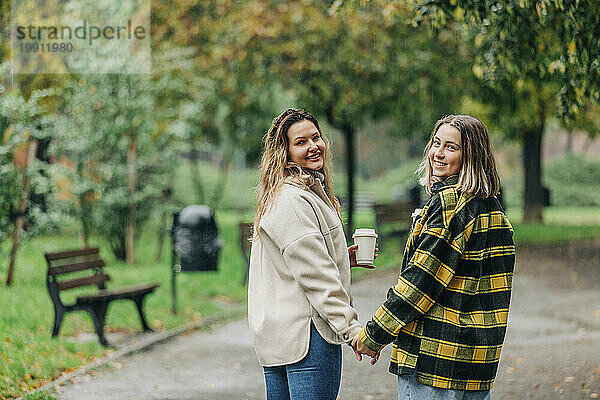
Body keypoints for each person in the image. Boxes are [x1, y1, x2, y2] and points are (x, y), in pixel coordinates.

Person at [352, 114, 515, 399]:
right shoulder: (494, 210)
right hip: (477, 363)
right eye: (436, 143)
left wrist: (374, 335)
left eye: (451, 147)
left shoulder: (449, 205)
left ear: (471, 156)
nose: (438, 153)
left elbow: (419, 284)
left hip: (434, 361)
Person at [248, 108, 374, 400]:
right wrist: (352, 330)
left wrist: (342, 257)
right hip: (309, 335)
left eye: (316, 138)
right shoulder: (294, 200)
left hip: (280, 338)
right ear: (286, 152)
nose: (313, 146)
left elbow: (295, 262)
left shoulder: (282, 195)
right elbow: (316, 276)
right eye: (301, 142)